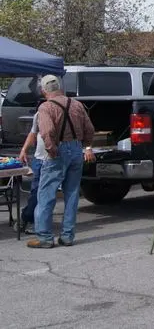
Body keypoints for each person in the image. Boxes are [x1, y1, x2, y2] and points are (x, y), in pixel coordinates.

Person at [28, 75, 96, 249]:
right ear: (60, 87)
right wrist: (86, 146)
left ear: (44, 91)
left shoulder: (46, 107)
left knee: (46, 194)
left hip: (58, 149)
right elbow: (89, 129)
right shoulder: (76, 104)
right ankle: (67, 236)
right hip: (75, 149)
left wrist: (51, 150)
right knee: (72, 193)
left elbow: (47, 131)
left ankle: (44, 237)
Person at [17, 112, 46, 234]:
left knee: (45, 194)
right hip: (40, 159)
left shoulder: (68, 111)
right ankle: (28, 217)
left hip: (56, 159)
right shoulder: (40, 113)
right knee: (37, 192)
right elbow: (33, 133)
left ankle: (35, 222)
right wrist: (24, 150)